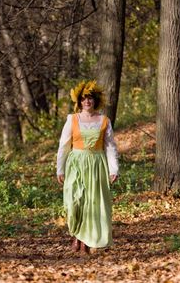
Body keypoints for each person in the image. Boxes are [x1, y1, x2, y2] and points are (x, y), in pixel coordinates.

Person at [56, 80, 119, 254]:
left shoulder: (104, 120)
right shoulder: (73, 119)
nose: (87, 102)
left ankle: (86, 240)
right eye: (83, 99)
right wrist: (59, 169)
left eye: (90, 98)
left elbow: (110, 146)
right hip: (76, 164)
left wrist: (113, 169)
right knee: (75, 200)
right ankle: (76, 233)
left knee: (93, 202)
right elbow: (64, 145)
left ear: (95, 101)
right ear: (79, 101)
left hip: (97, 164)